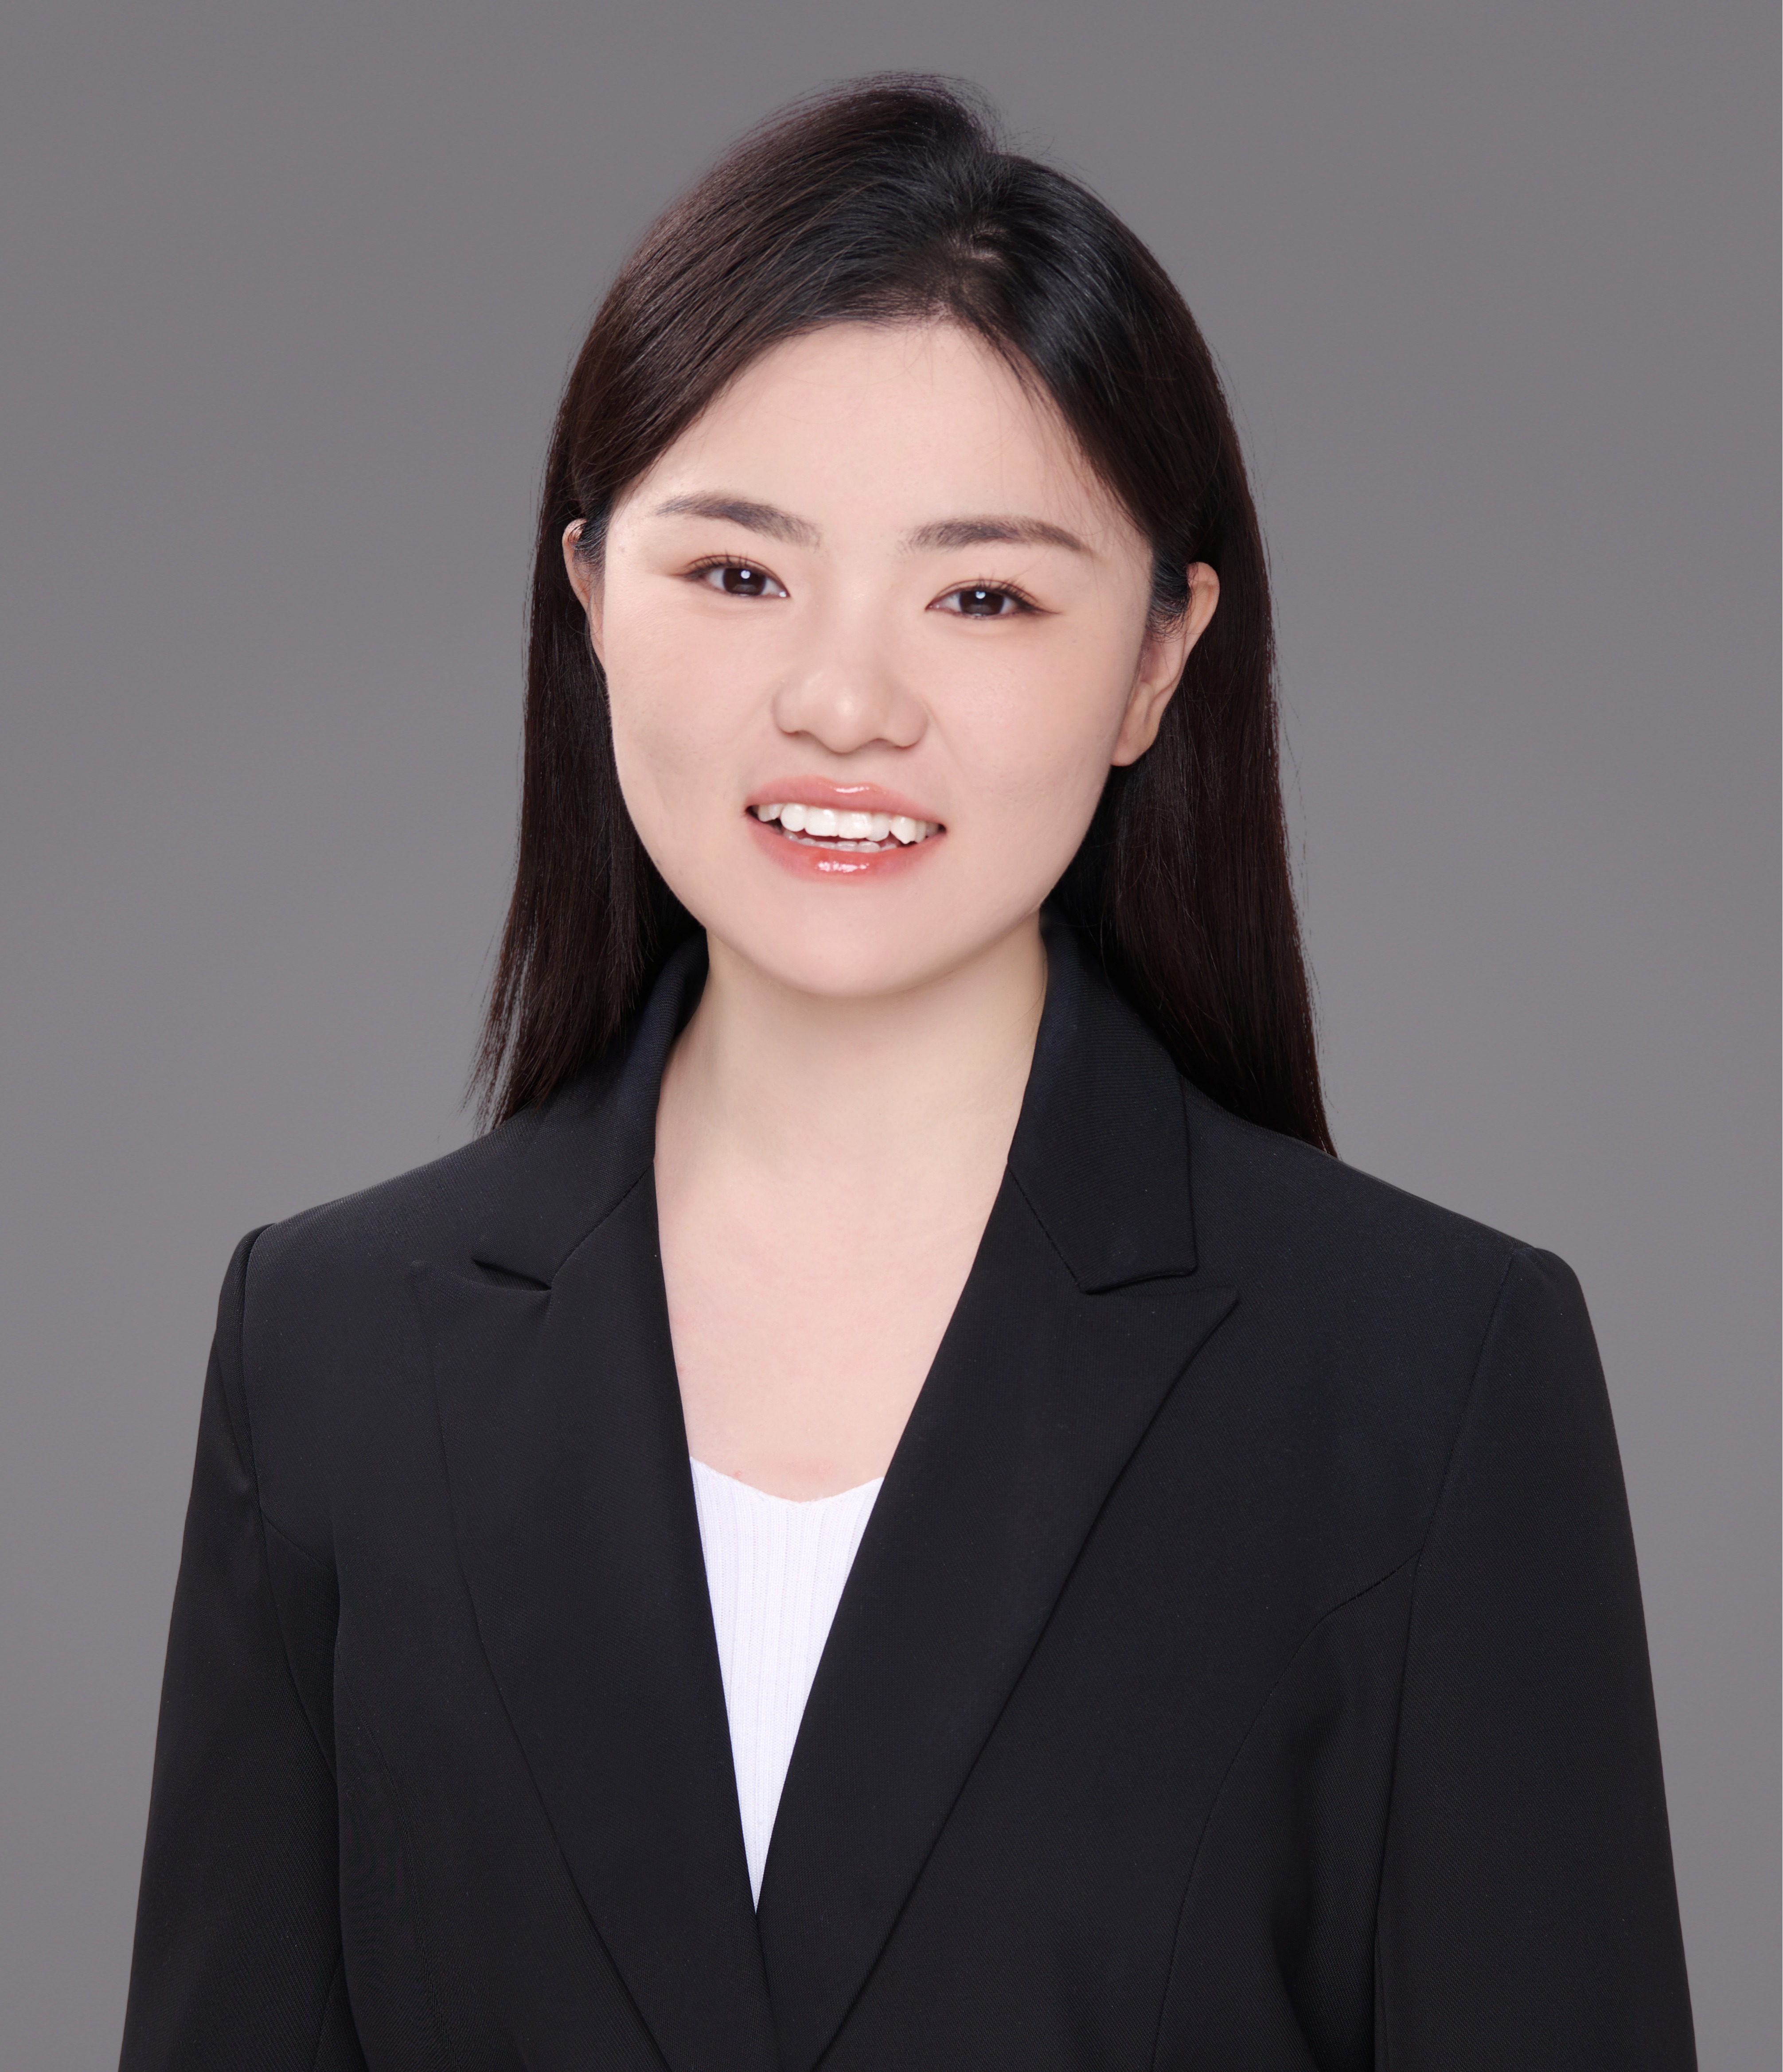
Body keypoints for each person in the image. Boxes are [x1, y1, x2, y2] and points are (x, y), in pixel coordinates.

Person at [119, 76, 1696, 2072]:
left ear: (1157, 657)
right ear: (589, 593)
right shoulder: (327, 1347)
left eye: (982, 595)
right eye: (739, 573)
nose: (846, 701)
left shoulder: (1430, 1374)